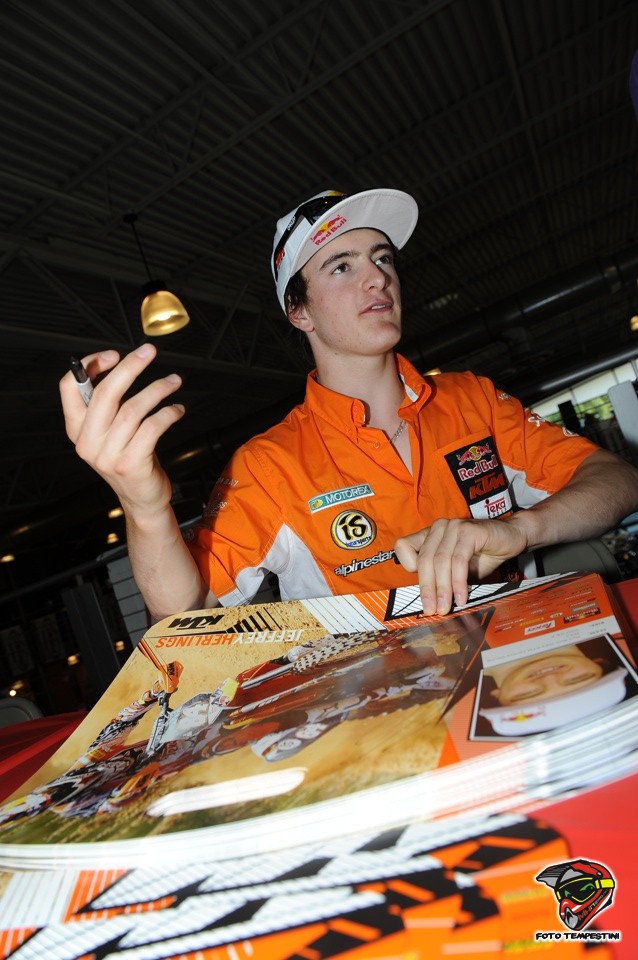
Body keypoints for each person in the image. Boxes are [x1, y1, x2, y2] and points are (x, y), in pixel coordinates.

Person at [60, 188, 638, 620]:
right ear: (299, 312)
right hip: (388, 709)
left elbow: (617, 481)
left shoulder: (473, 399)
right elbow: (184, 611)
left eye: (382, 258)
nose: (377, 279)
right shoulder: (270, 464)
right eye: (342, 266)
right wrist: (143, 505)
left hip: (525, 652)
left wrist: (521, 529)